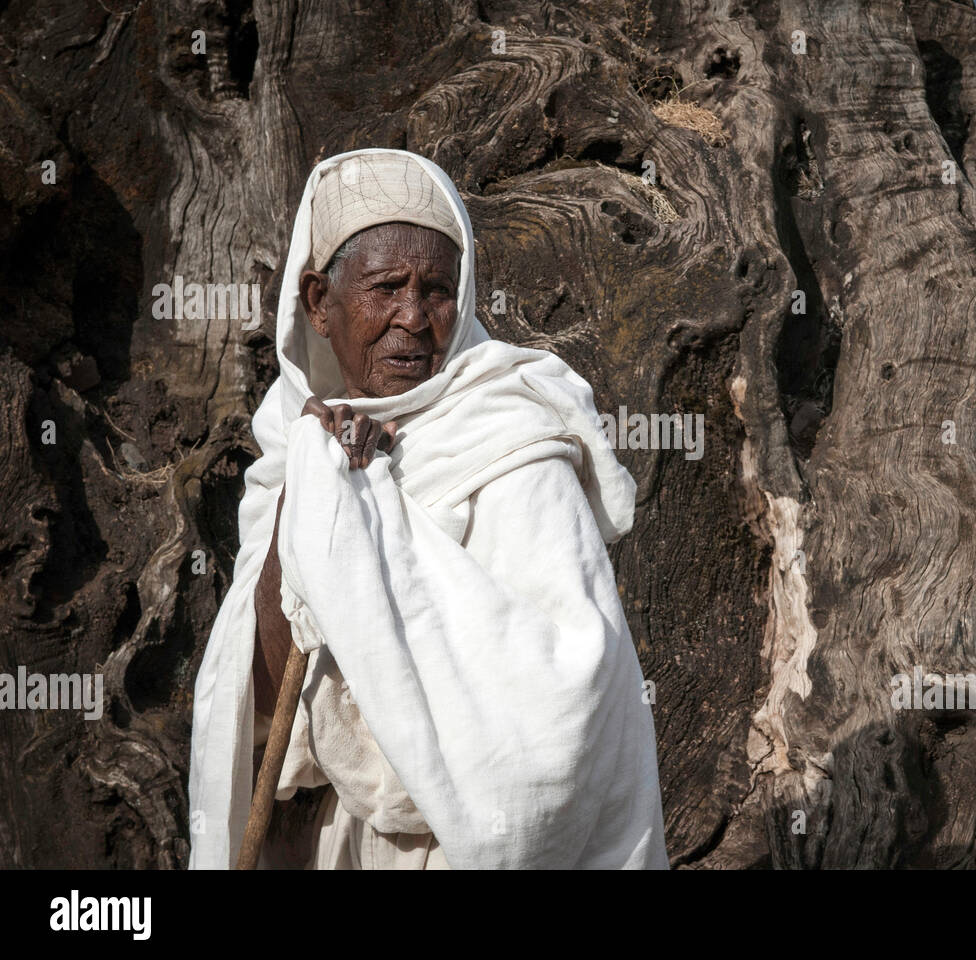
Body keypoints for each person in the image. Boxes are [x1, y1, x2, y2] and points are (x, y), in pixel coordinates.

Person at [187, 149, 669, 869]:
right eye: (387, 288)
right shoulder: (294, 456)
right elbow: (253, 713)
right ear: (319, 301)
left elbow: (570, 707)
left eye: (438, 291)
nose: (413, 318)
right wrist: (316, 505)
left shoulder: (511, 440)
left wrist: (418, 762)